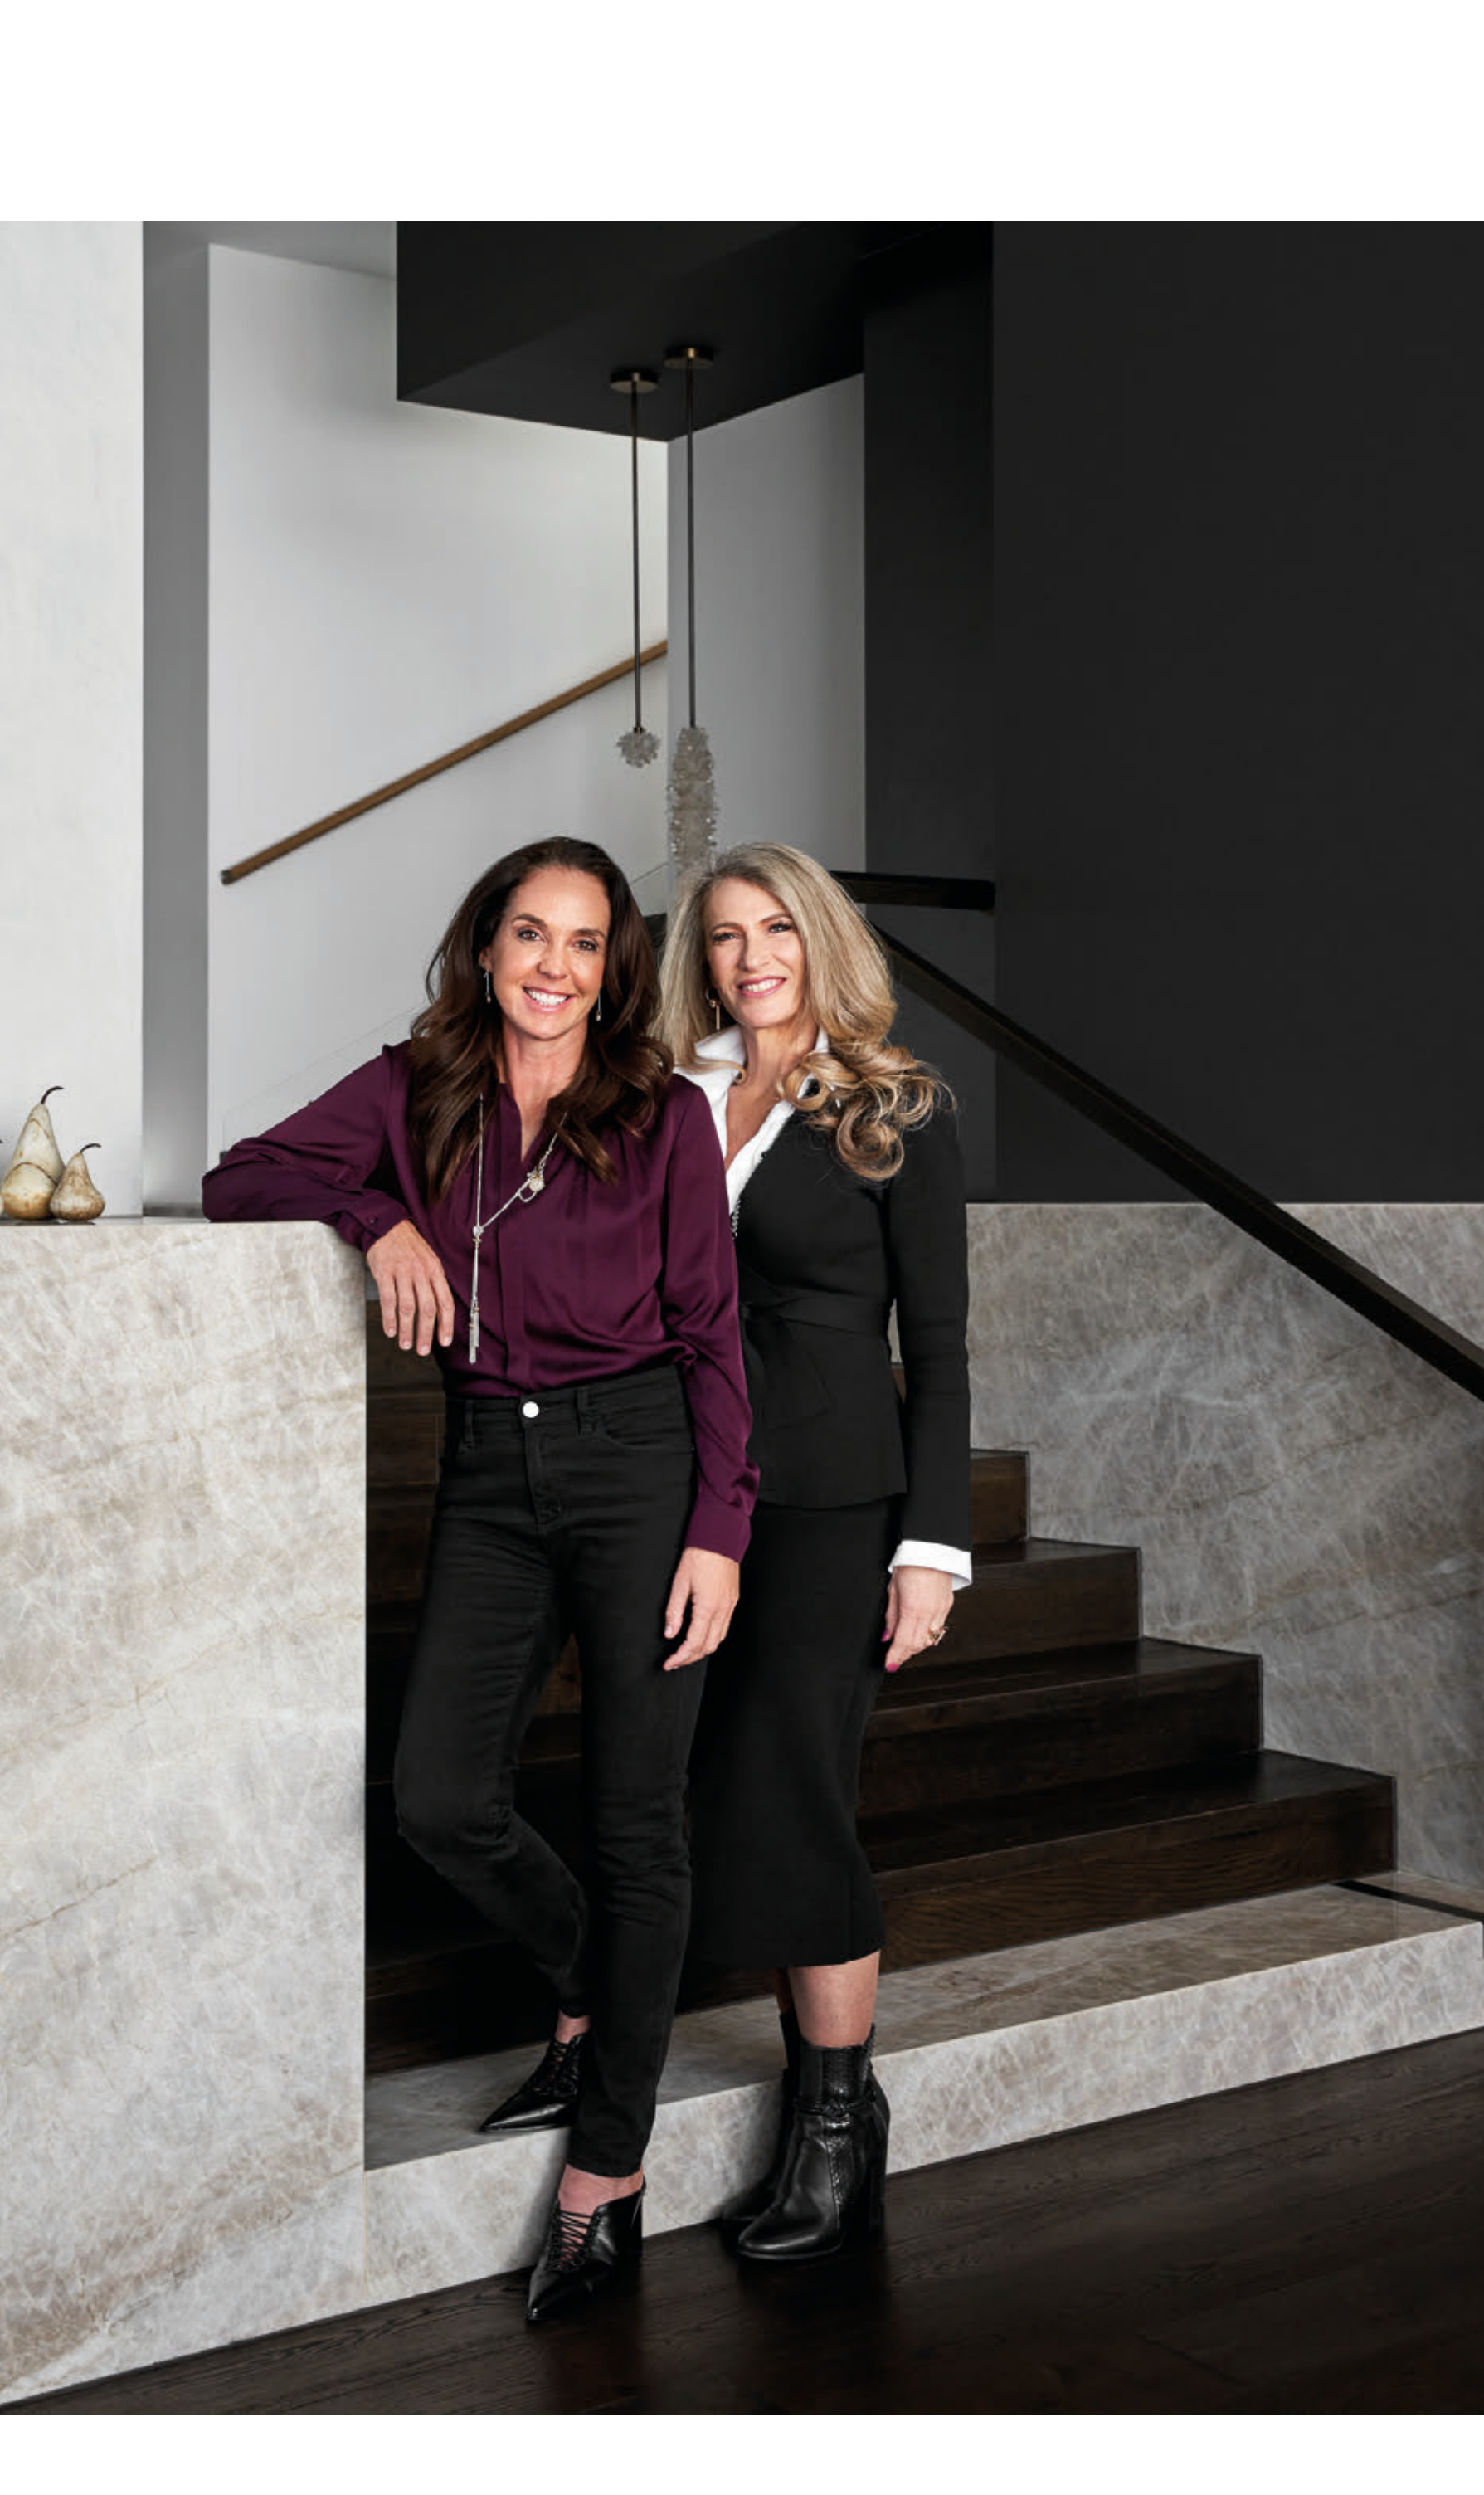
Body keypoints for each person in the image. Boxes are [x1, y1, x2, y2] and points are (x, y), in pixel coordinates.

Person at [203, 834, 755, 2323]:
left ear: (612, 970)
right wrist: (374, 1214)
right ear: (486, 946)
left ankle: (606, 2175)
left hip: (641, 1465)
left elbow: (712, 1330)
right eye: (528, 934)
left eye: (581, 943)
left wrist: (719, 1529)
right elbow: (238, 1175)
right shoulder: (415, 1086)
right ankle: (594, 1988)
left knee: (637, 1823)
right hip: (488, 1472)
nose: (551, 967)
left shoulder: (663, 1113)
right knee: (439, 1797)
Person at [659, 841, 971, 2261]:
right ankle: (834, 2107)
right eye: (726, 935)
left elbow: (940, 1346)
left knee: (794, 1789)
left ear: (820, 939)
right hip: (687, 1490)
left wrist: (931, 1548)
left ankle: (833, 2122)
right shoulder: (679, 1096)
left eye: (777, 928)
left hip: (836, 1497)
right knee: (715, 1790)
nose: (752, 958)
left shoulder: (893, 1106)